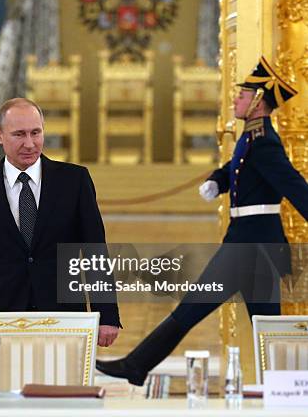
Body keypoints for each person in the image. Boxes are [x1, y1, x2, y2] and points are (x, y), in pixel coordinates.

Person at [97, 56, 308, 386]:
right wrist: (218, 180)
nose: (235, 100)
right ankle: (285, 387)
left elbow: (294, 185)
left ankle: (136, 365)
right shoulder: (252, 136)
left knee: (207, 310)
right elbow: (238, 168)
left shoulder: (264, 141)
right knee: (258, 321)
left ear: (257, 101)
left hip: (253, 246)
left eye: (241, 96)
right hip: (250, 244)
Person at [0, 98, 121, 347]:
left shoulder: (74, 181)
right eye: (19, 134)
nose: (30, 143)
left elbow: (94, 251)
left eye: (36, 133)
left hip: (63, 316)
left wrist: (107, 314)